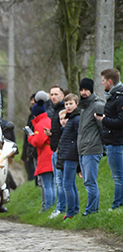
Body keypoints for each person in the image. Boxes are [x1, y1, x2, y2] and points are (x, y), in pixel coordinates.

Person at [95, 68, 123, 211]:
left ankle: (117, 205)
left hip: (116, 143)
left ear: (110, 81)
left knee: (118, 177)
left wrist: (103, 120)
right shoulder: (113, 97)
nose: (102, 83)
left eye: (103, 80)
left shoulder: (119, 98)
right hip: (112, 142)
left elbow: (120, 121)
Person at [77, 78, 105, 216]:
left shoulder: (97, 105)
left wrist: (103, 148)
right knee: (87, 182)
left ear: (91, 90)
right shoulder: (83, 107)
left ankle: (92, 211)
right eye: (81, 89)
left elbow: (103, 129)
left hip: (92, 149)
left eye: (86, 89)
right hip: (83, 149)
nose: (83, 92)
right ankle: (91, 210)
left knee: (90, 181)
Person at [27, 91, 55, 211]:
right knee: (53, 184)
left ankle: (47, 207)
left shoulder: (40, 124)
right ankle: (54, 207)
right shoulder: (48, 120)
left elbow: (38, 142)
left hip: (45, 155)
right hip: (52, 154)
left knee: (46, 184)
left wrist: (30, 136)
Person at [57, 93, 81, 220]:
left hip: (71, 156)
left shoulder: (76, 119)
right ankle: (74, 210)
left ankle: (71, 212)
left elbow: (78, 137)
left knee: (67, 184)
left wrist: (74, 152)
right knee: (70, 184)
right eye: (66, 104)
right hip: (67, 155)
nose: (68, 106)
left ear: (76, 104)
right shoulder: (71, 118)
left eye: (71, 103)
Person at [44, 85, 66, 217]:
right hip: (55, 149)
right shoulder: (54, 109)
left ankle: (61, 209)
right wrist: (51, 134)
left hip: (61, 150)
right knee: (58, 181)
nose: (53, 97)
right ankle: (60, 208)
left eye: (56, 94)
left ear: (62, 96)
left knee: (60, 182)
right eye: (51, 94)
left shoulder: (63, 110)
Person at [21, 93, 38, 182]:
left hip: (34, 146)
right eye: (31, 100)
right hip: (28, 146)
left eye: (34, 100)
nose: (32, 102)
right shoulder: (30, 116)